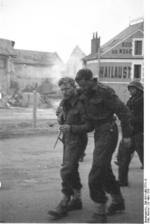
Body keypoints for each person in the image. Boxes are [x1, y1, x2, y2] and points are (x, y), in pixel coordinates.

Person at [75, 69, 132, 223]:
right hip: (99, 132)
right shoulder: (83, 93)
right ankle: (118, 202)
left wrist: (126, 135)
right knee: (104, 170)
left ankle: (100, 212)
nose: (82, 88)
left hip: (109, 130)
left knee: (96, 172)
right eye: (80, 85)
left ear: (90, 79)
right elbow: (84, 117)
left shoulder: (104, 91)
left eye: (84, 84)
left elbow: (124, 112)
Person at [48, 77, 93, 220]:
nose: (64, 92)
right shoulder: (64, 102)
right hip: (67, 139)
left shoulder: (82, 102)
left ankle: (64, 201)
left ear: (74, 87)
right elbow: (62, 119)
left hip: (78, 140)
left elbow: (89, 126)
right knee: (71, 168)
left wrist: (71, 128)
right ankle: (77, 199)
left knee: (67, 169)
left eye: (67, 89)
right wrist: (60, 117)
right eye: (62, 89)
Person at [117, 80, 144, 186]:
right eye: (130, 89)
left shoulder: (144, 100)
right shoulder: (131, 100)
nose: (131, 90)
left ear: (138, 89)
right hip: (129, 133)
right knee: (123, 158)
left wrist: (130, 119)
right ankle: (122, 181)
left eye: (133, 88)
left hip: (139, 133)